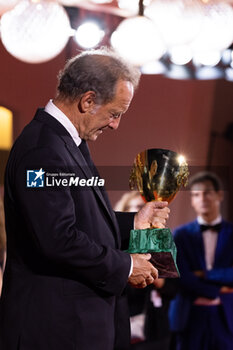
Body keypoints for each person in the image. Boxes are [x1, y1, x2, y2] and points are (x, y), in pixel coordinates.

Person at [0, 48, 170, 350]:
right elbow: (57, 238)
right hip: (53, 330)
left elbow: (83, 220)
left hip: (72, 326)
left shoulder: (66, 143)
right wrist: (126, 267)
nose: (115, 125)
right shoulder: (43, 150)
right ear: (88, 100)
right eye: (114, 114)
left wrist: (134, 221)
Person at [169, 171, 233, 350]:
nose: (202, 198)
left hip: (227, 315)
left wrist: (206, 274)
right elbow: (180, 274)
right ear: (191, 200)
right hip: (190, 314)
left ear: (220, 195)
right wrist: (218, 289)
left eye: (207, 193)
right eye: (196, 195)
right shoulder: (180, 234)